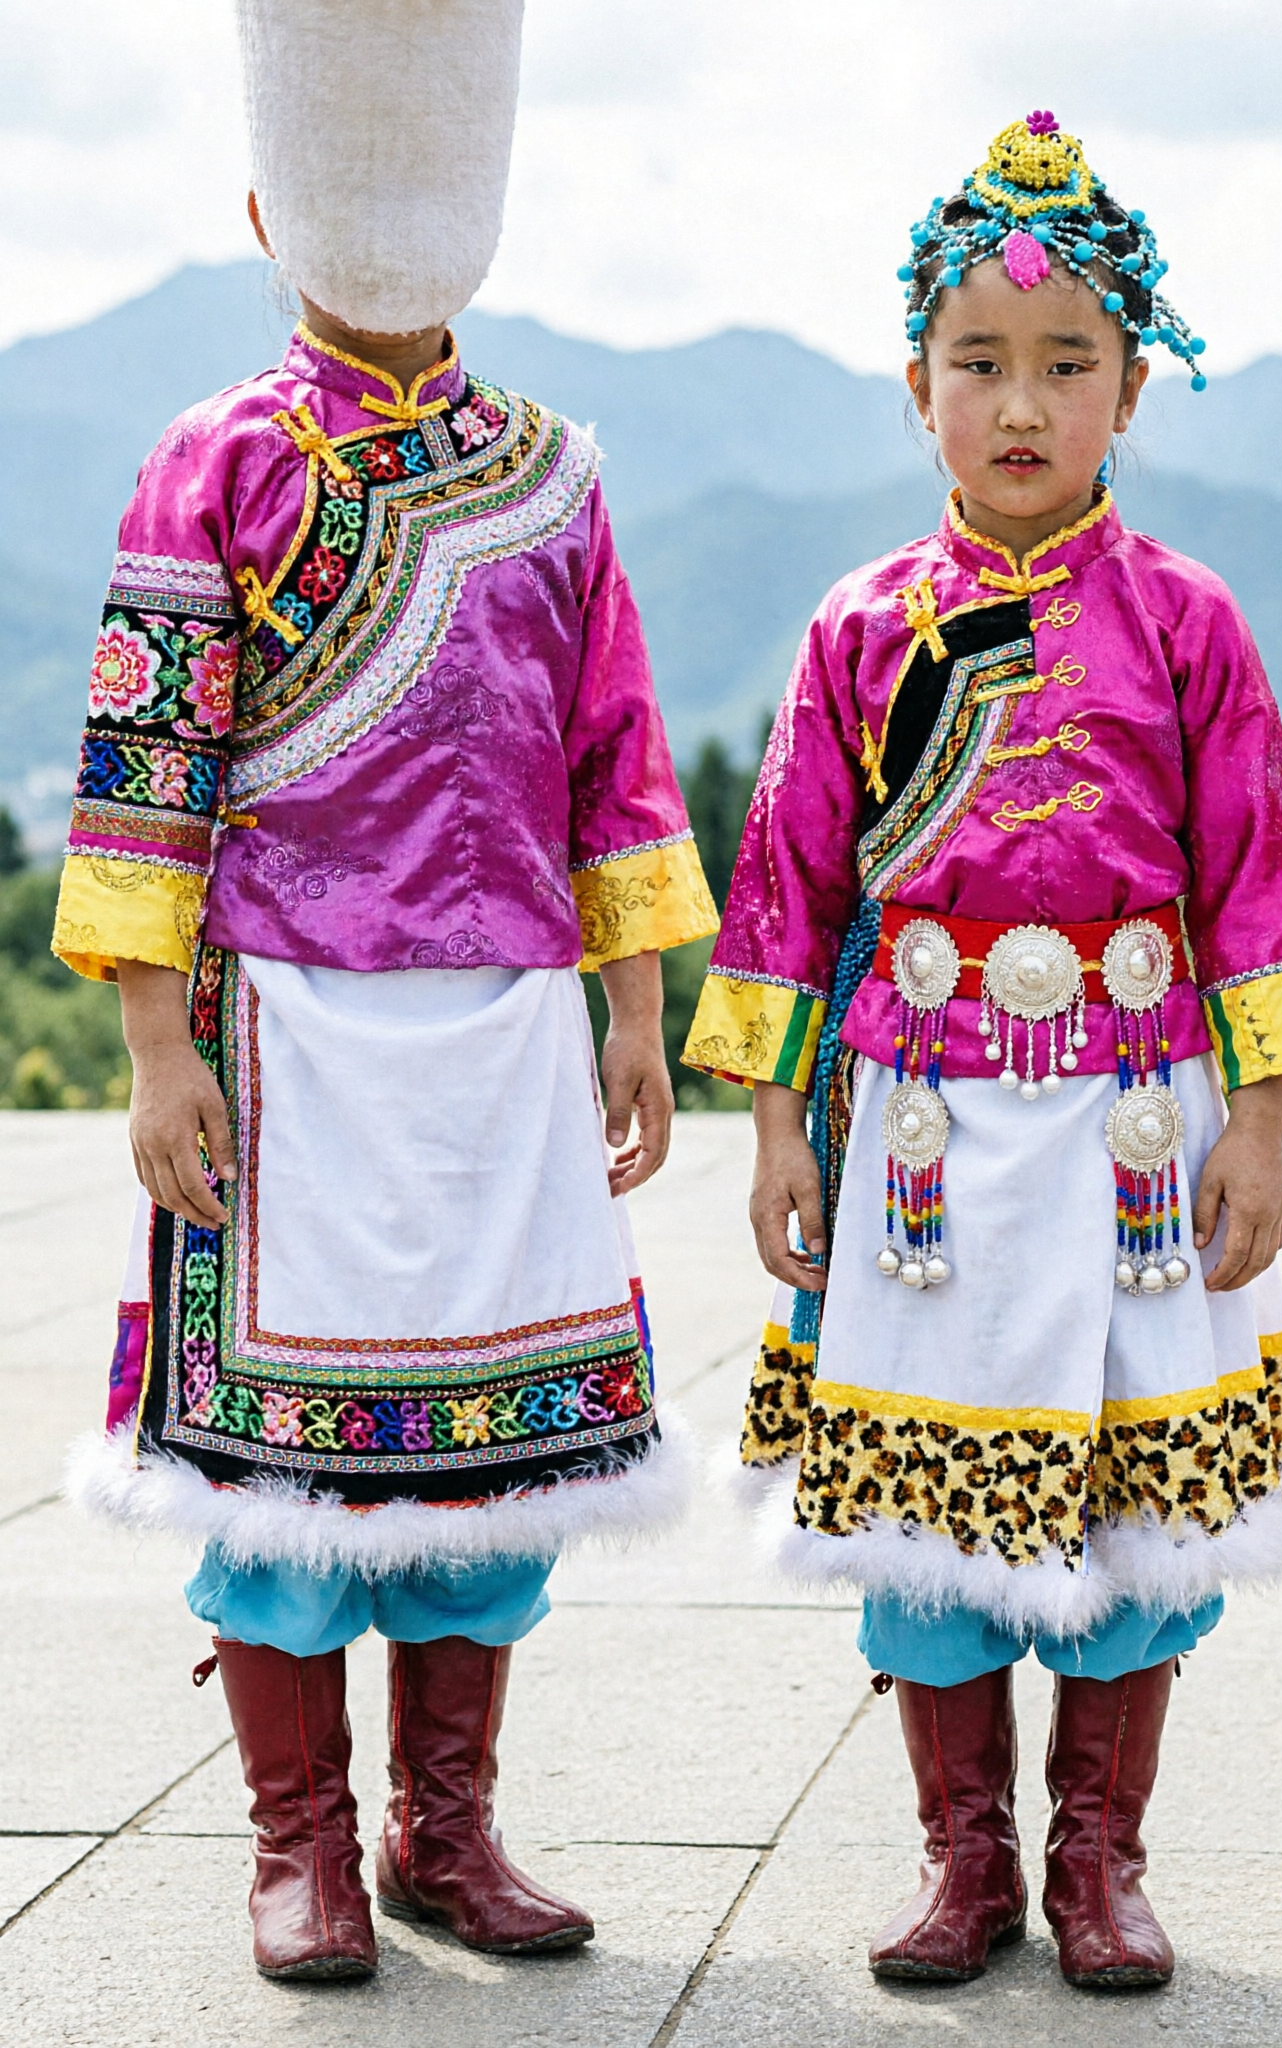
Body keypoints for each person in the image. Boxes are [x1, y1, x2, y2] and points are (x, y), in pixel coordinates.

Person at [56, 0, 715, 1984]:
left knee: (491, 1460)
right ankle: (299, 1845)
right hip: (287, 1037)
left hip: (509, 1033)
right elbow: (146, 767)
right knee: (283, 1466)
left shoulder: (550, 470)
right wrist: (158, 1042)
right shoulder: (215, 464)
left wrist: (630, 1003)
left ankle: (450, 1824)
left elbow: (612, 747)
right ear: (263, 210)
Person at [683, 113, 1282, 1991]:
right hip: (916, 1128)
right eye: (979, 362)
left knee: (1136, 1508)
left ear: (1133, 385)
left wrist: (1268, 1128)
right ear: (917, 386)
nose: (1021, 403)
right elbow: (784, 886)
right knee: (925, 1506)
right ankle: (964, 1858)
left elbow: (1260, 881)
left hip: (1143, 1124)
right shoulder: (856, 631)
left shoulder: (1190, 621)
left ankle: (1101, 1861)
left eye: (1068, 364)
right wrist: (773, 1128)